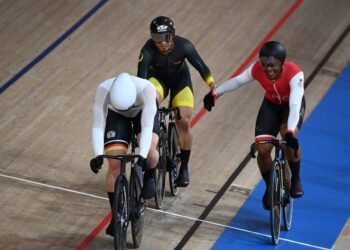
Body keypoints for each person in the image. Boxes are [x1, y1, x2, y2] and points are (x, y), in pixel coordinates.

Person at [203, 41, 305, 210]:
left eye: (273, 66)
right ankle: (270, 186)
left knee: (288, 138)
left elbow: (295, 105)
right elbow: (237, 81)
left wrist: (289, 132)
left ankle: (296, 180)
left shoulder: (295, 73)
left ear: (282, 63)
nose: (268, 70)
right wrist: (215, 93)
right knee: (263, 150)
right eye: (265, 65)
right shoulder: (257, 69)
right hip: (271, 105)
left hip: (290, 107)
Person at [137, 16, 215, 187]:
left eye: (166, 37)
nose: (162, 42)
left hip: (181, 81)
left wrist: (212, 86)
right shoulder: (147, 50)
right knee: (149, 101)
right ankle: (155, 139)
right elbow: (141, 80)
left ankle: (184, 168)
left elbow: (202, 67)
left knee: (183, 121)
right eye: (157, 38)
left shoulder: (184, 45)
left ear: (173, 35)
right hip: (158, 80)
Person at [89, 72, 159, 236]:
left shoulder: (146, 89)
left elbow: (147, 127)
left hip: (142, 111)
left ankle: (150, 175)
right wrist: (97, 154)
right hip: (117, 115)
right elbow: (98, 124)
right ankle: (116, 215)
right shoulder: (103, 89)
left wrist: (142, 154)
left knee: (149, 149)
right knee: (114, 163)